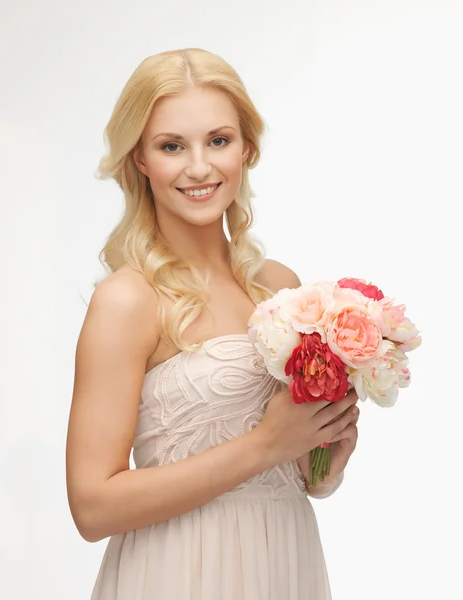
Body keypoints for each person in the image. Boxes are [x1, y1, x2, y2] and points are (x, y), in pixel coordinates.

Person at [65, 48, 360, 600]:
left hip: (283, 563)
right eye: (171, 146)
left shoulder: (278, 286)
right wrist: (266, 445)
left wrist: (323, 463)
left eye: (218, 141)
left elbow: (296, 473)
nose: (199, 167)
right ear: (141, 160)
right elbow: (91, 507)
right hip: (178, 573)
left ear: (246, 148)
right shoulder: (128, 300)